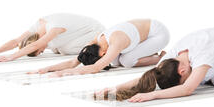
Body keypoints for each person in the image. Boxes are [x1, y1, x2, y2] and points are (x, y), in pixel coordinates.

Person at [94, 26, 214, 102]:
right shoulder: (170, 59)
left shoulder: (202, 53)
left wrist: (151, 95)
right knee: (205, 77)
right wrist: (115, 88)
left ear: (183, 70)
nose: (187, 80)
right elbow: (146, 77)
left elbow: (187, 89)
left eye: (184, 78)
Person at [28, 19, 169, 76]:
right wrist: (46, 69)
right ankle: (146, 51)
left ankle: (159, 57)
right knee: (115, 61)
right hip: (138, 36)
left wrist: (65, 73)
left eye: (103, 58)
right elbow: (73, 62)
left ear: (102, 54)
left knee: (126, 61)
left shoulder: (116, 41)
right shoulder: (94, 43)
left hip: (157, 34)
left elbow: (96, 68)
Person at [0, 13, 105, 62]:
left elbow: (37, 44)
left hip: (93, 31)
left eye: (39, 51)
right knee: (56, 46)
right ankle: (60, 47)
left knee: (64, 49)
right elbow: (16, 41)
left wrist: (11, 57)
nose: (42, 51)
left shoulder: (53, 28)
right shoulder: (35, 30)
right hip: (74, 34)